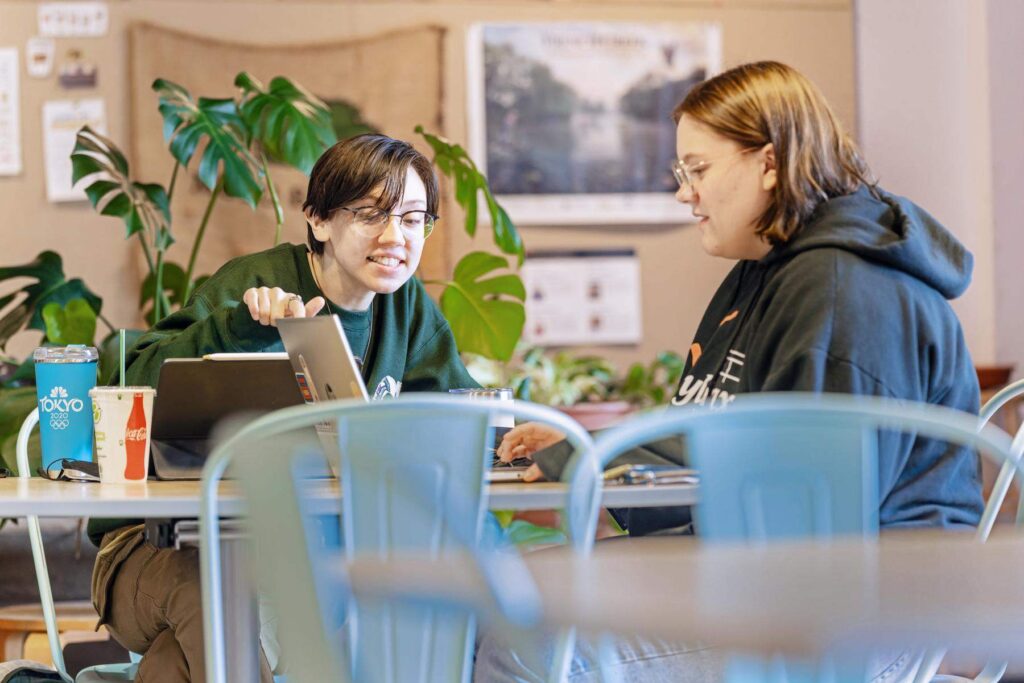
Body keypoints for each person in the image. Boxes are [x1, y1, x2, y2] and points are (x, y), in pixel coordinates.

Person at [476, 61, 981, 682]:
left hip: (863, 614)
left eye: (699, 170)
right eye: (680, 173)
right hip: (774, 578)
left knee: (530, 640)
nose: (684, 192)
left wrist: (597, 453)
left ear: (769, 163)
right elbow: (728, 438)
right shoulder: (767, 268)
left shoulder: (845, 289)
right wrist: (591, 450)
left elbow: (806, 512)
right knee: (500, 595)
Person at [87, 134, 478, 682]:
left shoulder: (408, 309)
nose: (396, 237)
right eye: (371, 214)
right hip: (154, 548)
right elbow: (128, 386)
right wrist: (238, 328)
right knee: (224, 591)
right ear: (317, 220)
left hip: (298, 559)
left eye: (414, 219)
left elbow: (462, 418)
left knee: (181, 662)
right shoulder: (254, 285)